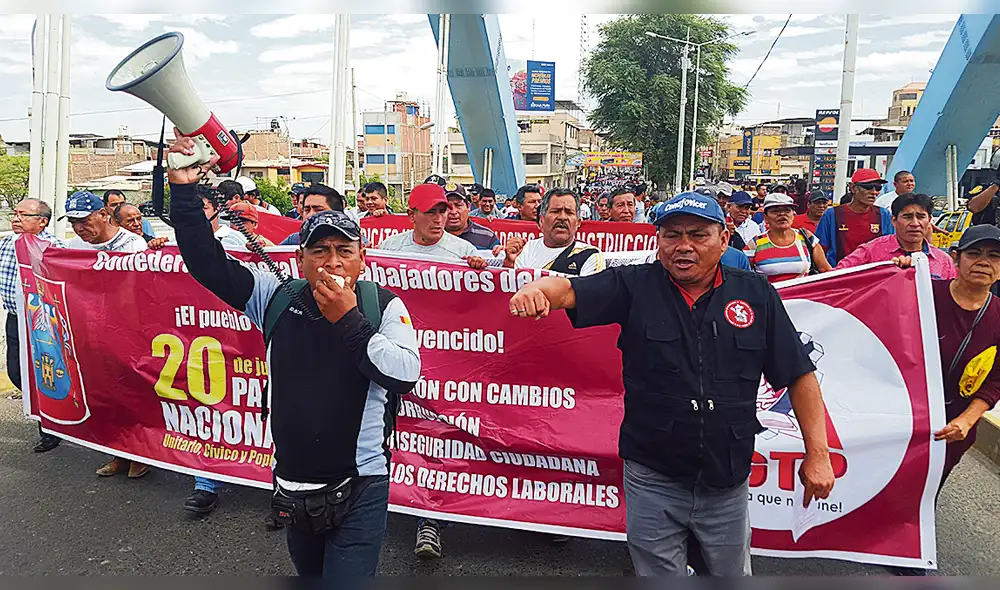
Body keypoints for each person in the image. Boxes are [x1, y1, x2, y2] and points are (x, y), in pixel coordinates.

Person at [508, 191, 835, 576]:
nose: (684, 246)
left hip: (726, 481)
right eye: (672, 234)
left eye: (698, 235)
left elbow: (798, 373)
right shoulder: (633, 286)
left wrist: (819, 453)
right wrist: (536, 290)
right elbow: (568, 290)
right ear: (657, 240)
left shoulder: (755, 293)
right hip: (653, 477)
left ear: (723, 239)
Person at [166, 137, 420, 578]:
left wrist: (349, 320)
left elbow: (405, 375)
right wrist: (185, 189)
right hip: (293, 481)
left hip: (361, 485)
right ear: (301, 259)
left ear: (362, 259)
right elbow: (206, 263)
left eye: (344, 251)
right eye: (319, 251)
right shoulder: (276, 296)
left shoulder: (383, 306)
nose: (332, 262)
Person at [890, 224, 1000, 575]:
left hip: (953, 422)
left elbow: (995, 381)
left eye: (994, 256)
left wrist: (968, 420)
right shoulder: (922, 292)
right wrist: (896, 275)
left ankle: (909, 547)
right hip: (900, 409)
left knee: (929, 484)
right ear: (954, 259)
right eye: (974, 253)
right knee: (889, 475)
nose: (984, 262)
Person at [64, 191, 150, 478]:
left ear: (103, 214)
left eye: (85, 221)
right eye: (74, 223)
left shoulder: (132, 243)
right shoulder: (75, 246)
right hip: (92, 333)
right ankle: (117, 452)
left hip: (128, 331)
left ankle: (141, 454)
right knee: (103, 395)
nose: (79, 229)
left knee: (132, 394)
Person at [0, 198, 66, 453]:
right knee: (18, 373)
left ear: (42, 221)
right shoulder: (7, 244)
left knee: (47, 375)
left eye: (23, 215)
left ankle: (50, 430)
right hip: (16, 318)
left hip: (44, 323)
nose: (16, 219)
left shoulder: (54, 247)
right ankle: (45, 418)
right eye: (15, 214)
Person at [837, 193, 956, 279]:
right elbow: (834, 277)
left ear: (930, 220)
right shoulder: (870, 252)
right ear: (894, 220)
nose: (915, 223)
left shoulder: (943, 261)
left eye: (921, 217)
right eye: (907, 217)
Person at [378, 184, 488, 270]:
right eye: (431, 212)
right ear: (412, 215)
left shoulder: (465, 251)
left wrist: (479, 269)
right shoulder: (390, 247)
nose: (438, 219)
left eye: (442, 211)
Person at [500, 188, 605, 275]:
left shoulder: (590, 255)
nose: (562, 217)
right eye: (555, 211)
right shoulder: (526, 250)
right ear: (541, 221)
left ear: (578, 222)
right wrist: (510, 265)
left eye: (569, 212)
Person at [815, 168, 895, 266]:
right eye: (868, 187)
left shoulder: (884, 214)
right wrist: (829, 272)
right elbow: (819, 248)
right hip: (840, 274)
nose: (874, 192)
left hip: (872, 275)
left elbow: (889, 247)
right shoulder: (832, 214)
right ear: (853, 188)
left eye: (878, 187)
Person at [745, 194, 832, 283]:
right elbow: (742, 276)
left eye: (787, 210)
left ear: (793, 215)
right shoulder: (755, 244)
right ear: (765, 218)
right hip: (768, 296)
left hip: (801, 296)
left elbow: (826, 270)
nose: (782, 214)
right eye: (775, 211)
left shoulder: (807, 238)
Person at [280, 185, 348, 245]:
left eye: (319, 210)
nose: (310, 215)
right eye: (307, 210)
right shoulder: (294, 240)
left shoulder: (350, 240)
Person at [445, 184, 500, 250]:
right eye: (447, 206)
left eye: (458, 205)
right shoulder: (432, 238)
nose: (453, 212)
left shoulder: (488, 237)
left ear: (468, 206)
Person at [200, 185, 250, 249]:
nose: (196, 213)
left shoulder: (236, 239)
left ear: (217, 208)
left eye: (204, 208)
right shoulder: (185, 237)